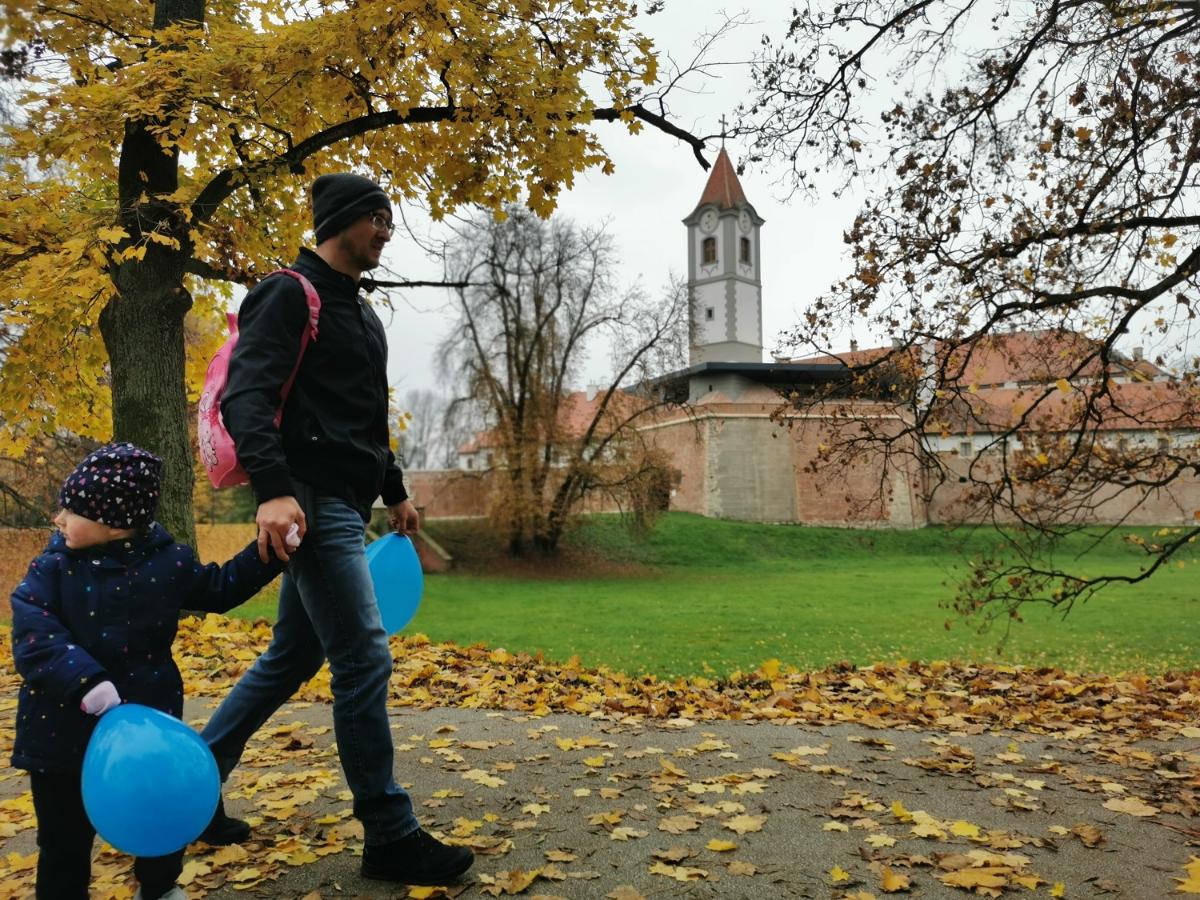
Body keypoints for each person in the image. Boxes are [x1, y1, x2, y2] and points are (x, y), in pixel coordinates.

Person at [198, 173, 474, 886]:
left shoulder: (362, 314)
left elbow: (368, 418)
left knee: (291, 657)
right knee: (363, 656)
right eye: (375, 217)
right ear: (339, 221)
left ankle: (194, 784)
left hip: (346, 501)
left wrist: (395, 490)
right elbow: (247, 396)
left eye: (389, 219)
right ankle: (389, 834)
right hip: (310, 503)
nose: (386, 230)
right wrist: (273, 489)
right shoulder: (288, 293)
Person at [10, 442, 285, 900]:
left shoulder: (169, 562)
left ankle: (159, 889)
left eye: (71, 511)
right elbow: (34, 632)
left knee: (162, 820)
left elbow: (219, 588)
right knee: (63, 843)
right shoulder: (51, 568)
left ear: (113, 523)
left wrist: (267, 553)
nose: (58, 518)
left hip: (147, 738)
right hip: (58, 735)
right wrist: (85, 681)